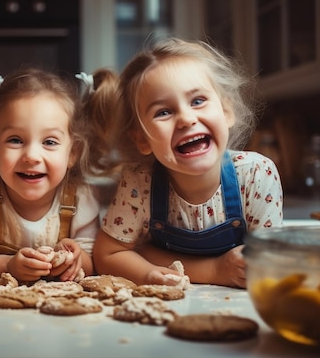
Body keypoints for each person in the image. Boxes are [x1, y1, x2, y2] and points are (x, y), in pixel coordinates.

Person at [92, 38, 283, 288]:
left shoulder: (257, 174)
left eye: (197, 101)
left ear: (226, 112)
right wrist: (210, 271)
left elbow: (271, 263)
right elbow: (108, 254)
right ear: (142, 139)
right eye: (163, 112)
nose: (185, 119)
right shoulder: (140, 181)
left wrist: (149, 254)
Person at [0, 66, 117, 283]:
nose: (32, 156)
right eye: (15, 140)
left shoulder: (80, 197)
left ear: (73, 152)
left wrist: (75, 260)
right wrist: (5, 266)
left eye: (49, 142)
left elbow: (94, 262)